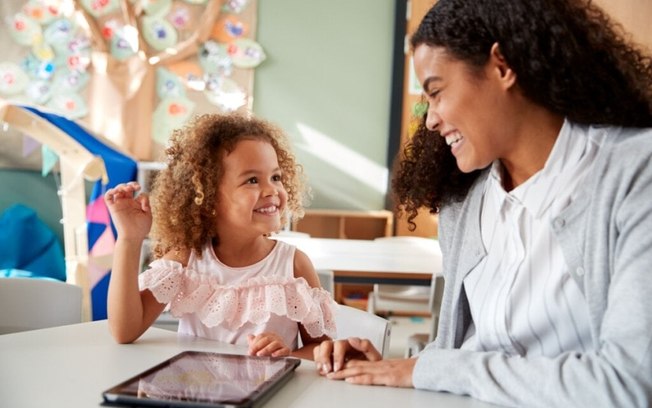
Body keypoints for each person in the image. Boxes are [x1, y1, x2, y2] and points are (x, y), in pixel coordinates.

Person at [314, 0, 652, 406]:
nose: (430, 119)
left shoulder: (635, 174)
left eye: (436, 92)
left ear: (502, 67)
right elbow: (465, 357)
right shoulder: (465, 204)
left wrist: (429, 369)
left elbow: (627, 385)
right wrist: (390, 369)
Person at [105, 113, 336, 360]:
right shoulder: (187, 261)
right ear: (208, 198)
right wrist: (129, 238)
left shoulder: (293, 265)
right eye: (252, 180)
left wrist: (288, 354)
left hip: (266, 395)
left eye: (276, 177)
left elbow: (322, 350)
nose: (271, 190)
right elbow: (124, 331)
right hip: (196, 394)